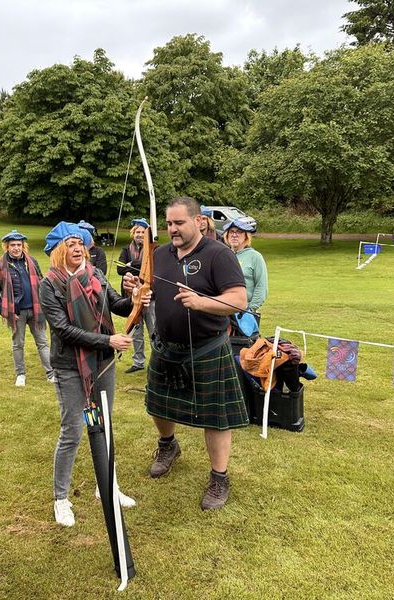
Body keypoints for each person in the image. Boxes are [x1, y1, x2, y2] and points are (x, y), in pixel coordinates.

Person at [124, 196, 249, 510]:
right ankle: (168, 445)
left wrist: (202, 301)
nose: (172, 229)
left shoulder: (218, 254)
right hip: (166, 347)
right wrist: (136, 290)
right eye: (168, 223)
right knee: (157, 404)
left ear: (199, 222)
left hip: (207, 348)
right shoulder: (160, 254)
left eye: (179, 223)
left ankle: (219, 477)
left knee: (216, 418)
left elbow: (239, 300)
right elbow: (146, 289)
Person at [38, 222, 147, 527]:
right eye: (70, 244)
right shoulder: (49, 284)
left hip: (102, 364)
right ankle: (61, 498)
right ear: (59, 250)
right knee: (73, 430)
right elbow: (63, 330)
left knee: (102, 425)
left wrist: (137, 299)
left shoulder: (95, 275)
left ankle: (107, 486)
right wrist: (108, 340)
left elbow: (118, 306)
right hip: (70, 367)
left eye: (80, 243)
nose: (77, 248)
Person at [0, 229, 54, 386]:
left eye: (19, 244)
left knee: (43, 342)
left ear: (23, 246)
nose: (16, 248)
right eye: (13, 245)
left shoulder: (32, 262)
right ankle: (20, 374)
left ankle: (51, 373)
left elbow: (42, 284)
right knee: (18, 344)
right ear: (7, 246)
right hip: (16, 314)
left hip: (36, 311)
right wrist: (6, 313)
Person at [116, 218, 156, 373]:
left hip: (149, 298)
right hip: (131, 297)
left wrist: (131, 265)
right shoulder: (126, 250)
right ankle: (138, 361)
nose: (140, 235)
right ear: (133, 234)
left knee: (154, 330)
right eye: (137, 232)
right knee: (136, 331)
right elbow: (120, 269)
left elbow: (151, 270)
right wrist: (137, 267)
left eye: (142, 232)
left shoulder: (152, 249)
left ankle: (157, 361)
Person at [222, 219, 268, 328]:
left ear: (246, 236)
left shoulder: (255, 257)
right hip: (223, 311)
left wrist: (250, 309)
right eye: (231, 232)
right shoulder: (223, 255)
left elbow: (261, 287)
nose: (234, 235)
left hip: (244, 314)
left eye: (239, 232)